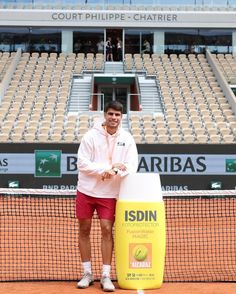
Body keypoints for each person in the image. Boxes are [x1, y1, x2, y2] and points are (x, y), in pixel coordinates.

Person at [76, 100, 138, 292]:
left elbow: (131, 164)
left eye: (117, 115)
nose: (114, 118)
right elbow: (82, 163)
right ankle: (87, 273)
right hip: (86, 190)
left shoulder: (127, 138)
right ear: (105, 115)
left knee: (106, 229)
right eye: (111, 114)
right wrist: (107, 169)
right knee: (84, 229)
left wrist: (116, 172)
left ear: (121, 117)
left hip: (109, 194)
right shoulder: (90, 136)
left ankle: (105, 275)